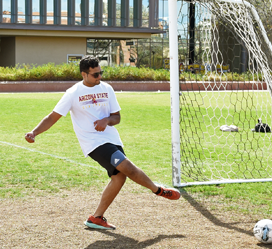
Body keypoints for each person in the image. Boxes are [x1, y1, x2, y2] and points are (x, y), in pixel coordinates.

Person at [24, 57, 180, 230]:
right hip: (92, 143)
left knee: (119, 177)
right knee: (128, 167)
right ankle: (158, 190)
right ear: (84, 74)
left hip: (112, 139)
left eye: (101, 73)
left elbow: (117, 117)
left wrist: (106, 120)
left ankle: (96, 218)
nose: (99, 77)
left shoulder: (107, 88)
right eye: (95, 74)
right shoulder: (72, 93)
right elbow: (53, 117)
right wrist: (35, 132)